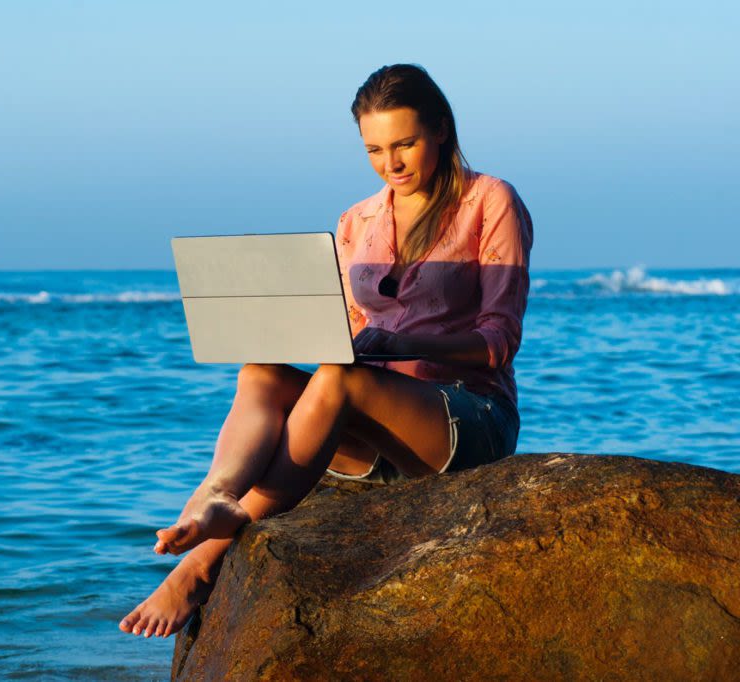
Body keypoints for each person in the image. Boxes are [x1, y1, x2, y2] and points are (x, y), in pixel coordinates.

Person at [119, 63, 533, 638]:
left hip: (464, 417)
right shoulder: (356, 220)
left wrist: (401, 343)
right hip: (369, 429)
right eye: (374, 149)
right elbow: (348, 327)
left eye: (405, 144)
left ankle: (201, 564)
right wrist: (292, 329)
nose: (391, 164)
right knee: (261, 371)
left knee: (339, 380)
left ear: (441, 128)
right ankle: (215, 493)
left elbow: (499, 342)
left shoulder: (490, 201)